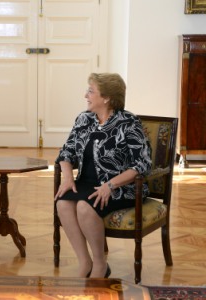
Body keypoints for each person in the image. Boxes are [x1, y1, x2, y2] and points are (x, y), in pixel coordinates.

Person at [54, 73, 152, 278]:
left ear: (106, 97)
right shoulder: (84, 118)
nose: (85, 95)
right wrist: (68, 177)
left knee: (84, 206)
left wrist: (110, 185)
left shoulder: (129, 123)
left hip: (122, 187)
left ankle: (100, 264)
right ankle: (85, 261)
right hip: (87, 182)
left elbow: (141, 164)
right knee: (62, 203)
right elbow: (66, 152)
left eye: (91, 91)